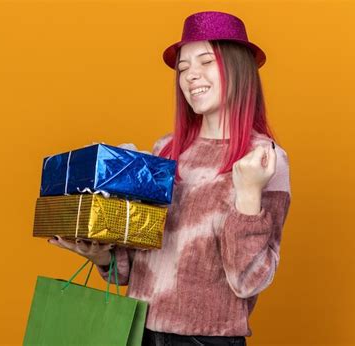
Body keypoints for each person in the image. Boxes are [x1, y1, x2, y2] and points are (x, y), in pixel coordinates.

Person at [48, 11, 291, 346]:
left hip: (205, 340)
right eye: (183, 68)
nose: (192, 76)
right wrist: (103, 257)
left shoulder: (264, 159)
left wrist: (248, 195)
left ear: (239, 68)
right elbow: (144, 264)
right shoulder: (165, 151)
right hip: (138, 330)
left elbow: (247, 282)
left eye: (206, 61)